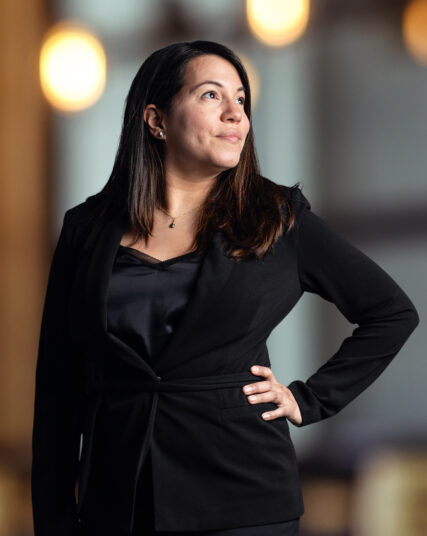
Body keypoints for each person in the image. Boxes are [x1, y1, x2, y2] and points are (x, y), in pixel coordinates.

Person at [31, 40, 419, 536]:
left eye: (241, 99)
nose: (236, 115)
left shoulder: (277, 218)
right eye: (212, 96)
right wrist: (56, 519)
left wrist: (309, 399)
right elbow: (58, 388)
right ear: (156, 119)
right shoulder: (86, 229)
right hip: (118, 502)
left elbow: (390, 312)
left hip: (242, 500)